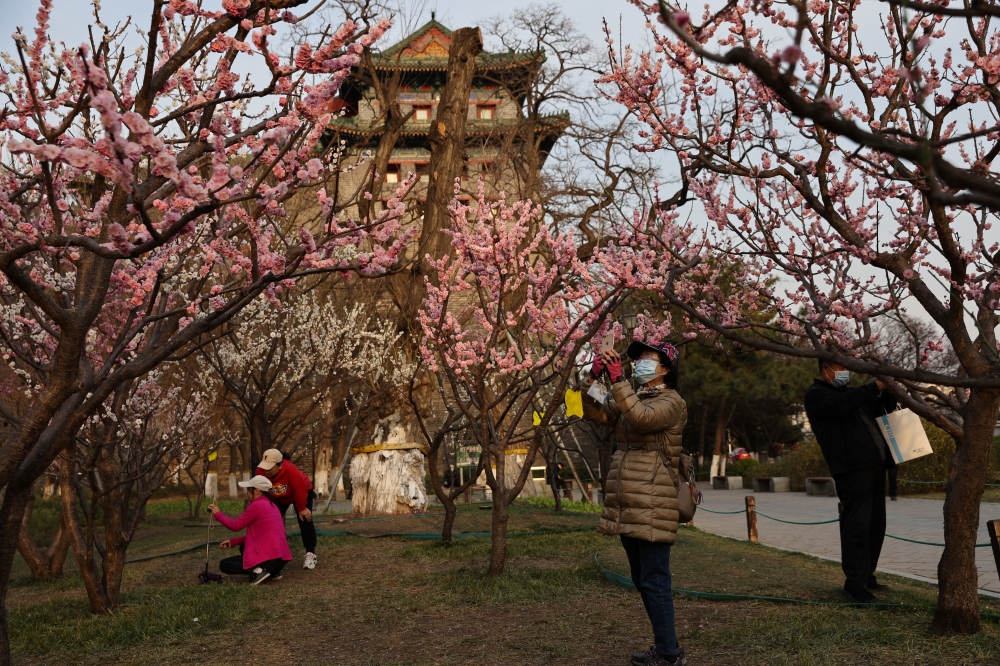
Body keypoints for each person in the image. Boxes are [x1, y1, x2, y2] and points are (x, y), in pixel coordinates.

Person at [582, 339, 688, 666]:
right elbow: (597, 414)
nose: (639, 361)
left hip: (654, 497)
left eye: (647, 358)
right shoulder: (636, 396)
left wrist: (617, 381)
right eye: (638, 357)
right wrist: (592, 379)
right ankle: (665, 646)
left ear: (665, 368)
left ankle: (669, 654)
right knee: (644, 579)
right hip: (629, 497)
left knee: (655, 579)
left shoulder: (672, 402)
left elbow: (641, 419)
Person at [804, 359, 897, 603]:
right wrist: (875, 386)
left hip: (874, 465)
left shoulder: (851, 395)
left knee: (875, 524)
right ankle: (854, 583)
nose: (846, 373)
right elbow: (843, 404)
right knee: (857, 524)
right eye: (841, 368)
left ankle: (866, 575)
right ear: (826, 369)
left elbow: (878, 409)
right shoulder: (817, 395)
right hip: (852, 469)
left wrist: (889, 389)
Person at [209, 475, 292, 585]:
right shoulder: (272, 505)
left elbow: (235, 526)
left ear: (257, 491)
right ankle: (272, 572)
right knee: (244, 547)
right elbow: (261, 535)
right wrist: (234, 542)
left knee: (224, 564)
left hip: (269, 559)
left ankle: (259, 571)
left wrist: (217, 514)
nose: (247, 494)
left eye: (249, 490)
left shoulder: (256, 505)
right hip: (281, 559)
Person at [256, 449, 318, 570]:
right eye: (264, 467)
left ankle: (311, 554)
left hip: (300, 493)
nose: (266, 471)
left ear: (280, 465)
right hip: (278, 497)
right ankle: (272, 553)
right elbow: (258, 492)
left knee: (305, 519)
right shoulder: (260, 472)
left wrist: (302, 508)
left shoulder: (291, 470)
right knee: (271, 522)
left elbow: (300, 490)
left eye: (269, 468)